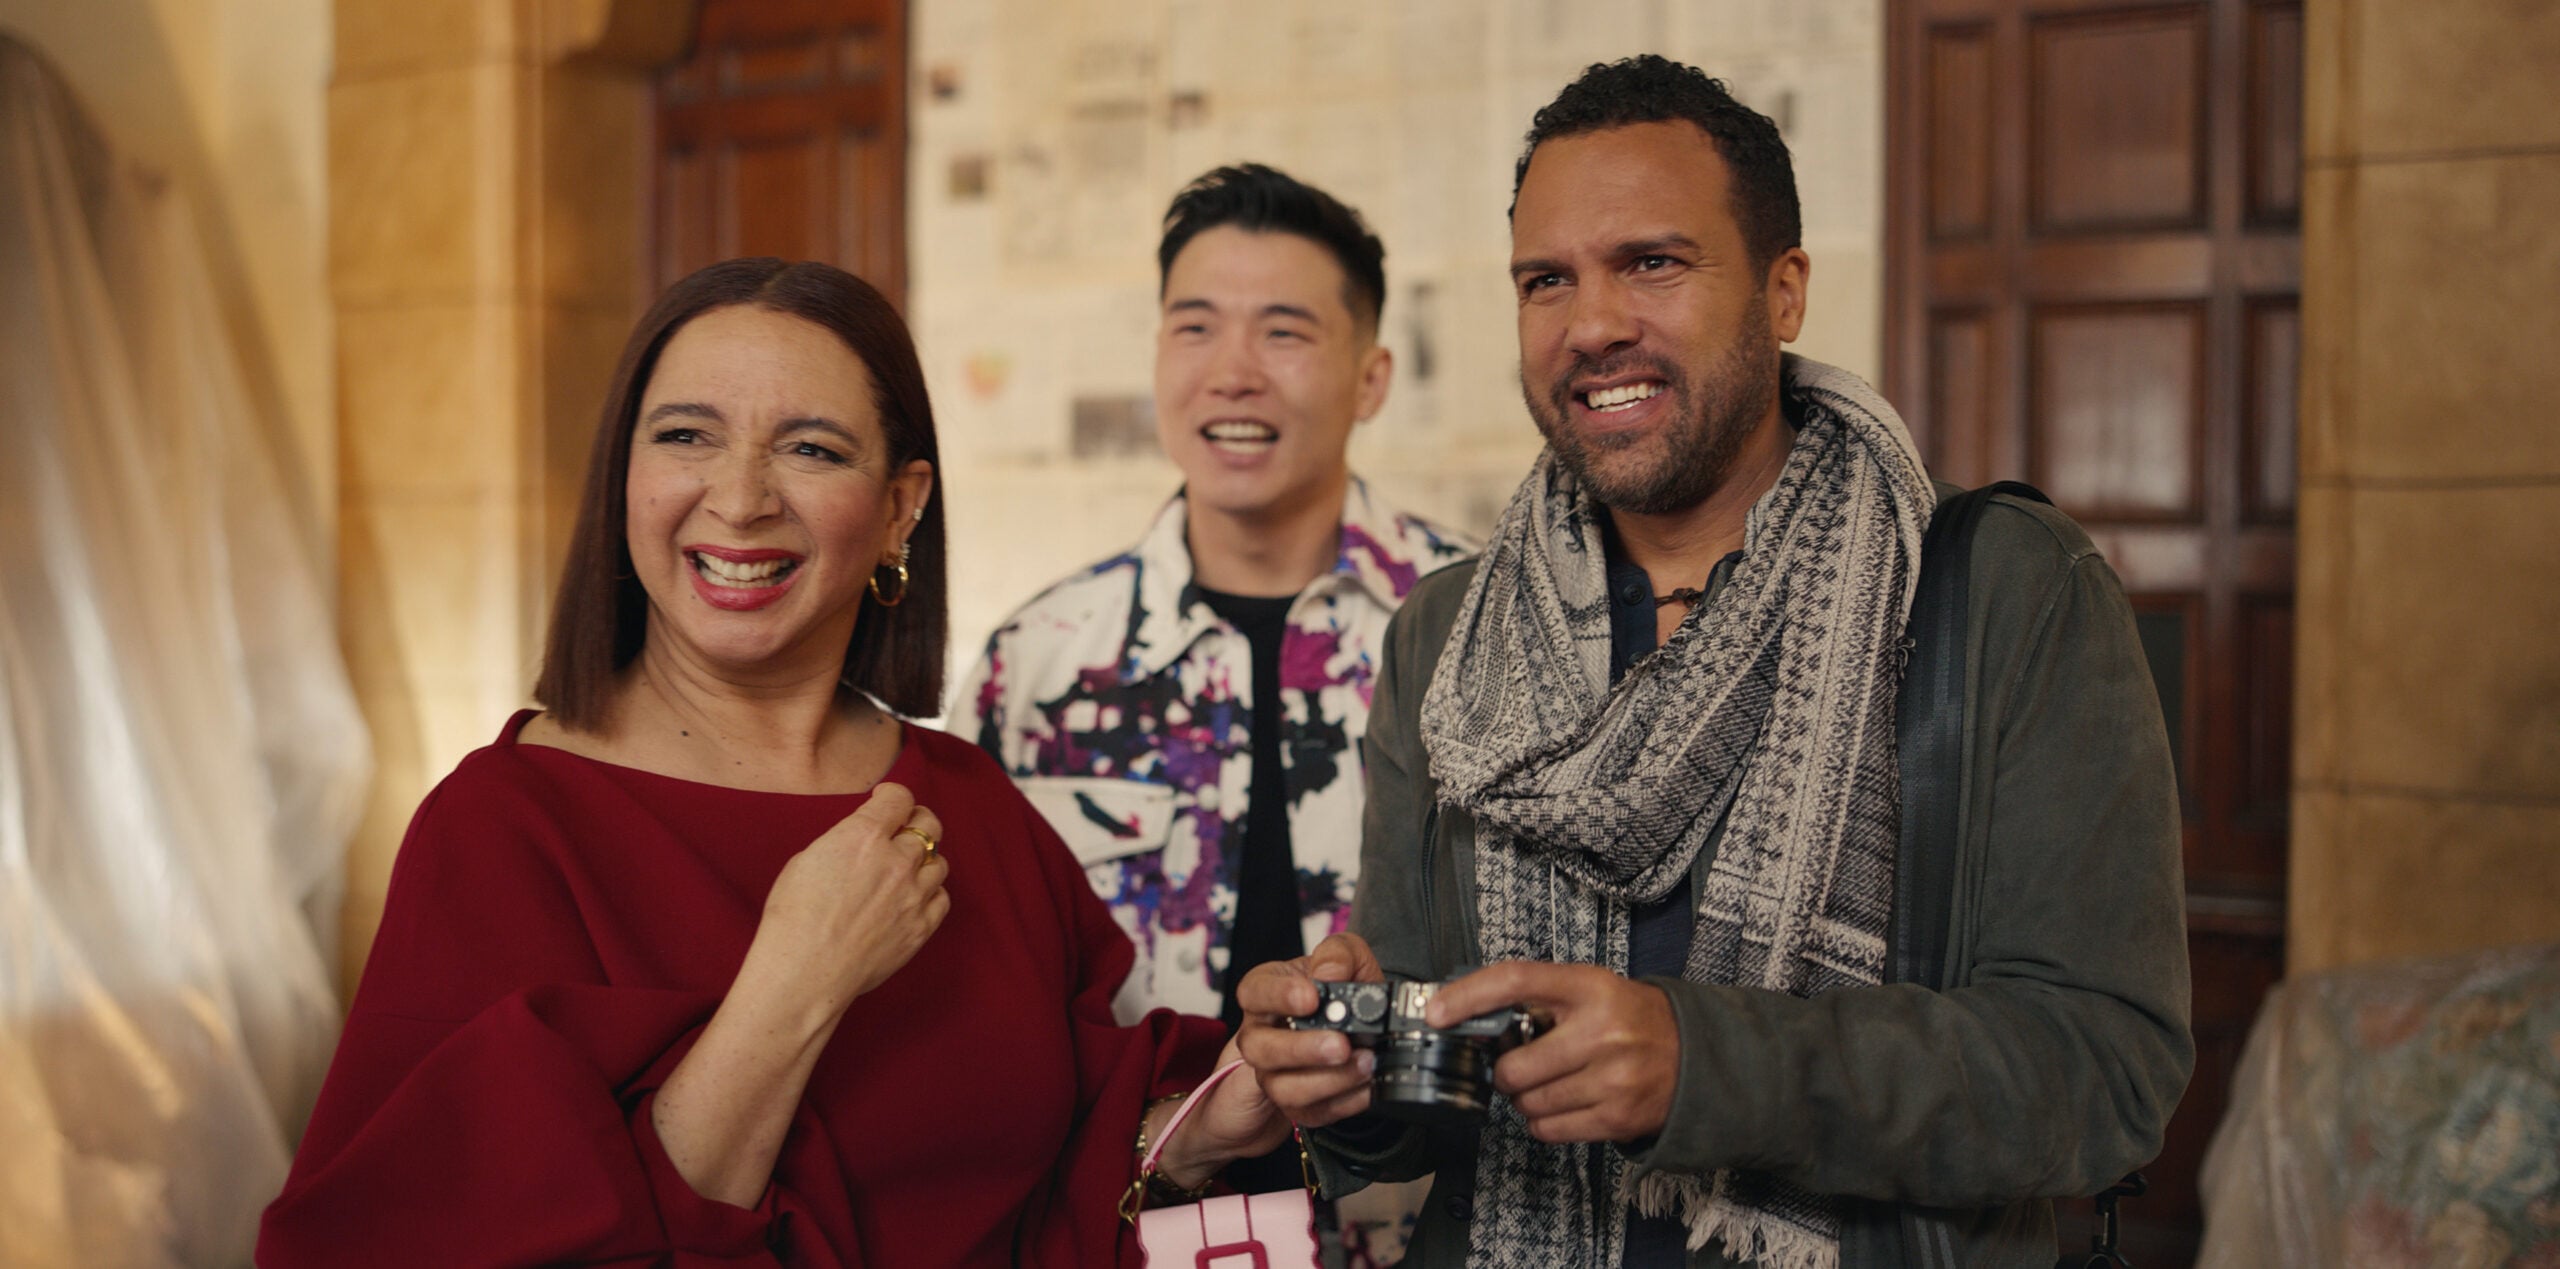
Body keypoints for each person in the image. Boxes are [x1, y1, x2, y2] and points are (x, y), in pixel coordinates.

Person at [1239, 56, 2193, 1269]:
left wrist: (1707, 1067)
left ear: (1783, 291)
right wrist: (1345, 1068)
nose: (1591, 326)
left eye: (1653, 262)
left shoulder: (2001, 590)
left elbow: (2103, 1072)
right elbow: (1420, 1103)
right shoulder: (1448, 635)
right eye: (1546, 280)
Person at [259, 259, 1291, 1267]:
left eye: (810, 448)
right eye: (684, 437)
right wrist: (798, 977)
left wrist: (1209, 1120)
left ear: (900, 506)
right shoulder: (503, 825)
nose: (741, 498)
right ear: (626, 478)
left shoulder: (971, 804)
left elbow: (1064, 1171)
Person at [956, 164, 1475, 1030]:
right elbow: (984, 993)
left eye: (1284, 333)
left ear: (1372, 379)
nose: (1232, 373)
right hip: (1139, 1163)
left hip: (1409, 1168)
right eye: (1194, 327)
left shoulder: (1478, 628)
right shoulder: (1037, 662)